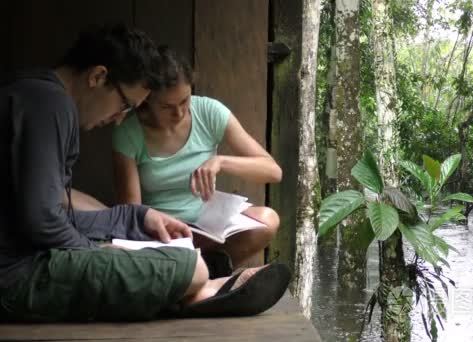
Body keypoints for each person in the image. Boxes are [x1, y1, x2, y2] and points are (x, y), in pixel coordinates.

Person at [0, 25, 289, 322]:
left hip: (24, 257)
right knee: (193, 268)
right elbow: (43, 221)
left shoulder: (39, 95)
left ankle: (197, 290)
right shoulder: (49, 103)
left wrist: (134, 218)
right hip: (16, 272)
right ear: (98, 77)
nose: (118, 118)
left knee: (177, 260)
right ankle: (201, 293)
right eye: (125, 105)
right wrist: (99, 252)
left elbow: (51, 205)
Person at [111, 46, 282, 269]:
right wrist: (162, 229)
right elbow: (131, 210)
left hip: (208, 225)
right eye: (166, 107)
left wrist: (221, 161)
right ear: (146, 100)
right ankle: (196, 277)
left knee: (267, 220)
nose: (179, 113)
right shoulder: (128, 131)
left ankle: (210, 273)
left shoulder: (209, 112)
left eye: (184, 101)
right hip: (160, 232)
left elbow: (273, 171)